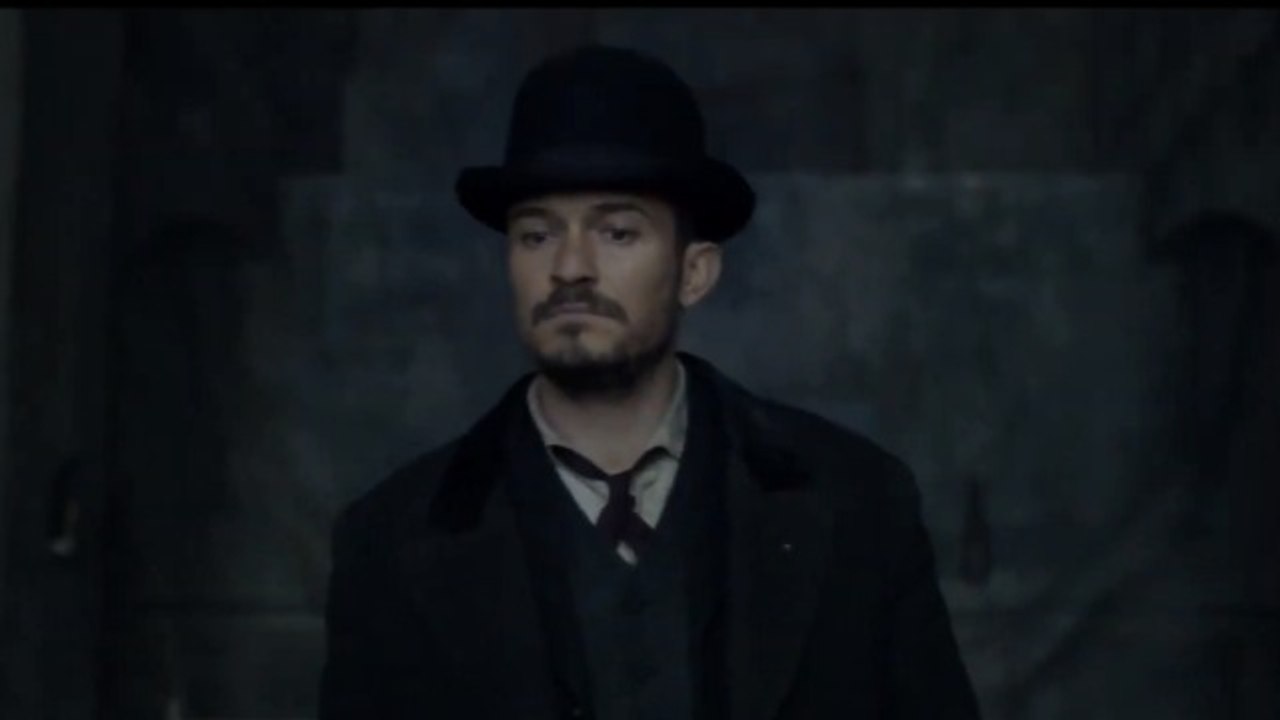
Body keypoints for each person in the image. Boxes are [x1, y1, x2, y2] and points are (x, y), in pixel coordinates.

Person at [318, 44, 981, 720]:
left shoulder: (858, 503)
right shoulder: (389, 541)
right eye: (537, 235)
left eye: (617, 233)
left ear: (695, 273)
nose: (569, 267)